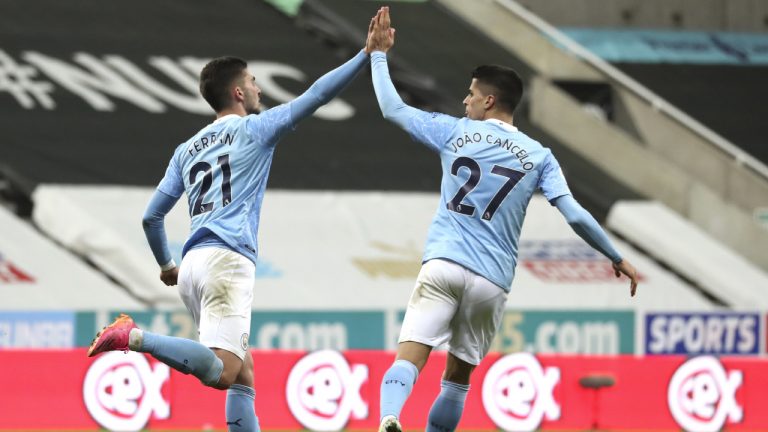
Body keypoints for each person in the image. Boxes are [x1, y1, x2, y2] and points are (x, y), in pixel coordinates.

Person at [86, 18, 381, 432]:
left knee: (243, 376)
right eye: (254, 82)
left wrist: (168, 266)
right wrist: (365, 55)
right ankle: (133, 337)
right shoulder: (255, 130)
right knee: (225, 372)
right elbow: (316, 95)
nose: (260, 88)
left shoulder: (187, 149)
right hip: (227, 262)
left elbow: (151, 216)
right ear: (239, 92)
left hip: (191, 265)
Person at [366, 8, 639, 432]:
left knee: (409, 358)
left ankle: (389, 416)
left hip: (444, 263)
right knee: (457, 381)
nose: (465, 100)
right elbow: (576, 215)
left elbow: (391, 109)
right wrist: (615, 255)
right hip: (491, 279)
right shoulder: (539, 156)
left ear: (489, 100)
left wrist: (379, 56)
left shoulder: (454, 131)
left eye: (471, 94)